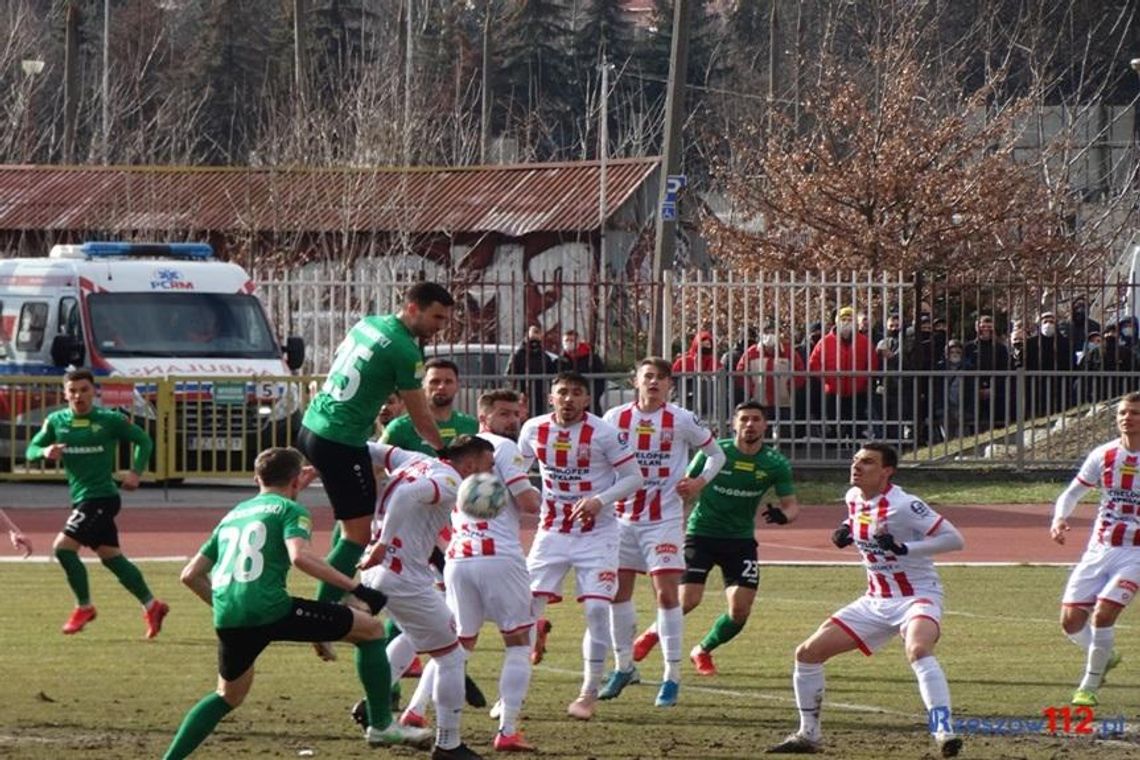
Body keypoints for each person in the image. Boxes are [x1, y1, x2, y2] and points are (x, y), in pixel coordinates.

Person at [161, 447, 428, 759]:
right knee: (370, 630)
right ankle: (382, 725)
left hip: (229, 616)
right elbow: (300, 556)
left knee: (227, 696)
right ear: (297, 480)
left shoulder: (233, 515)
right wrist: (356, 588)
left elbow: (190, 575)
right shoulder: (289, 509)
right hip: (272, 608)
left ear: (255, 478)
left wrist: (225, 604)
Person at [767, 442, 965, 757]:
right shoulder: (853, 497)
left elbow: (955, 539)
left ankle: (943, 731)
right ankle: (808, 735)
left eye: (868, 462)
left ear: (887, 472)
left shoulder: (905, 504)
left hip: (917, 596)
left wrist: (904, 548)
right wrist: (844, 530)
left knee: (918, 648)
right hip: (874, 600)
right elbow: (859, 518)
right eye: (856, 460)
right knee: (807, 653)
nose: (856, 466)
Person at [297, 281, 453, 620]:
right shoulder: (404, 350)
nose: (439, 327)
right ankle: (325, 613)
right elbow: (420, 415)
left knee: (354, 519)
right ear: (412, 308)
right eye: (436, 317)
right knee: (358, 533)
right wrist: (445, 451)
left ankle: (339, 595)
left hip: (313, 425)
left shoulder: (367, 323)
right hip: (340, 439)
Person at [401, 389, 543, 750]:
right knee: (517, 642)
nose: (512, 421)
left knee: (456, 645)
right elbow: (527, 502)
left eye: (516, 414)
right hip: (499, 559)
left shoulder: (453, 457)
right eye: (503, 414)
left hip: (459, 558)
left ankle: (415, 710)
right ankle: (508, 730)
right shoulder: (500, 450)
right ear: (484, 418)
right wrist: (551, 499)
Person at [634, 402, 799, 677]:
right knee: (688, 600)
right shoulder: (715, 453)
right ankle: (651, 635)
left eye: (756, 419)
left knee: (740, 610)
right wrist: (671, 526)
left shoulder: (775, 463)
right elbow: (685, 488)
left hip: (741, 541)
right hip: (702, 535)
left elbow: (792, 506)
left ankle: (703, 649)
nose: (750, 424)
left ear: (765, 425)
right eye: (744, 419)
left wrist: (784, 516)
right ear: (734, 424)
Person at [358, 435, 496, 760]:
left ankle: (372, 707)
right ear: (471, 464)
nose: (490, 475)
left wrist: (324, 461)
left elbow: (366, 448)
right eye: (488, 467)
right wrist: (385, 542)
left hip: (380, 571)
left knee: (412, 634)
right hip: (401, 574)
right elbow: (406, 494)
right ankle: (449, 744)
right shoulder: (450, 481)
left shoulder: (414, 459)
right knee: (451, 656)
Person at [598, 358, 725, 707]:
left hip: (664, 519)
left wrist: (699, 481)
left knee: (667, 595)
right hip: (622, 518)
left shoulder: (681, 419)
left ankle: (671, 676)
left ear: (670, 385)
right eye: (648, 376)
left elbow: (716, 455)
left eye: (661, 378)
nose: (654, 382)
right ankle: (624, 667)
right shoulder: (614, 419)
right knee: (616, 594)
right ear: (635, 380)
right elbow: (602, 461)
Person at [518, 371, 643, 721]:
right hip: (552, 530)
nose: (569, 399)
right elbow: (517, 470)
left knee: (596, 610)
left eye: (576, 393)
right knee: (526, 609)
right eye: (562, 393)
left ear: (587, 400)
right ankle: (512, 697)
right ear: (551, 397)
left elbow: (635, 477)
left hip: (597, 533)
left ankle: (588, 692)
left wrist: (600, 500)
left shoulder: (604, 433)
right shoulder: (533, 429)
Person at [26, 368, 167, 637]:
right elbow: (32, 448)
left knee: (63, 549)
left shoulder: (109, 420)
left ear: (94, 392)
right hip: (81, 499)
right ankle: (152, 605)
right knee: (111, 557)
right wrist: (45, 450)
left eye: (84, 390)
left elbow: (144, 440)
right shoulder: (56, 421)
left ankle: (84, 607)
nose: (78, 395)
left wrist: (136, 472)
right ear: (65, 394)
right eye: (73, 391)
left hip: (101, 497)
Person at [1049, 392, 1140, 708]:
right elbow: (1071, 493)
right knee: (1071, 622)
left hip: (1136, 554)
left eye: (1135, 413)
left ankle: (1088, 687)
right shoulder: (1103, 455)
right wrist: (1059, 518)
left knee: (1103, 613)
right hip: (1099, 549)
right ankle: (1105, 656)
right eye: (1124, 413)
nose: (1127, 418)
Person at [382, 358, 478, 456]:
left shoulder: (472, 425)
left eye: (448, 382)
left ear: (457, 386)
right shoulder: (399, 428)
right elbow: (377, 466)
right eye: (435, 382)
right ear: (422, 385)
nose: (441, 387)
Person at [808, 307, 878, 440]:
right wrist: (826, 380)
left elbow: (873, 363)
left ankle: (854, 441)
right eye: (843, 319)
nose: (846, 322)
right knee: (832, 419)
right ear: (836, 322)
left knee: (856, 419)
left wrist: (863, 381)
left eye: (850, 319)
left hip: (857, 390)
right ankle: (833, 442)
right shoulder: (825, 342)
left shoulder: (864, 342)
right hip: (833, 390)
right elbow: (813, 364)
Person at [737, 323, 806, 440]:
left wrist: (789, 388)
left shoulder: (789, 352)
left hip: (783, 400)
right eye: (767, 332)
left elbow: (799, 373)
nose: (770, 336)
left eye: (773, 332)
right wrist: (751, 389)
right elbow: (741, 373)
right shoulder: (751, 352)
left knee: (785, 433)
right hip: (760, 400)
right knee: (763, 433)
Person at [963, 314, 1012, 432]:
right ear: (976, 327)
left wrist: (992, 388)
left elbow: (1004, 370)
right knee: (975, 425)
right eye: (982, 326)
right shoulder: (968, 348)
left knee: (997, 424)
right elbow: (966, 370)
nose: (985, 329)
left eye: (989, 326)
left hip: (996, 392)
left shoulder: (1000, 348)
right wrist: (977, 388)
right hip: (973, 391)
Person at [1020, 311, 1074, 417]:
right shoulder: (1030, 344)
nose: (1048, 324)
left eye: (1051, 322)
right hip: (1037, 384)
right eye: (1045, 322)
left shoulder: (1065, 342)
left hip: (1059, 383)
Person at [508, 326, 558, 419]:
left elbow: (552, 375)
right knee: (522, 417)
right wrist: (518, 390)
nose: (535, 338)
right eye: (533, 333)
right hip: (523, 393)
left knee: (539, 418)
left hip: (539, 393)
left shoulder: (544, 356)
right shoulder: (518, 354)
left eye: (538, 333)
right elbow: (510, 374)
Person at [672, 330, 720, 420]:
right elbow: (673, 380)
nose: (706, 348)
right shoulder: (684, 361)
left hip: (709, 406)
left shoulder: (714, 362)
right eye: (703, 345)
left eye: (708, 345)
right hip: (685, 404)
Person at [558, 329, 607, 413]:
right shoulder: (560, 360)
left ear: (578, 342)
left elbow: (600, 379)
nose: (569, 343)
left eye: (572, 340)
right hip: (567, 403)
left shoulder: (592, 358)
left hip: (590, 404)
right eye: (566, 340)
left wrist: (591, 397)